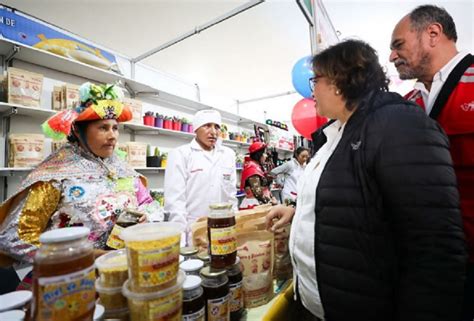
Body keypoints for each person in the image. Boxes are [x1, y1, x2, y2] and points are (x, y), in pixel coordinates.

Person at [266, 39, 466, 321]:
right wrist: (298, 212)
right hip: (318, 304)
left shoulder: (398, 125)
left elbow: (435, 247)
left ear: (339, 79)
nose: (312, 91)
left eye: (316, 80)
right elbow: (353, 201)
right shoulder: (334, 136)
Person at [0, 82, 162, 271]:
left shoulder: (122, 168)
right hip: (72, 280)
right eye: (103, 128)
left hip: (123, 272)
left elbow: (151, 206)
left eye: (115, 128)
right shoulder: (55, 175)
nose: (113, 136)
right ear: (77, 130)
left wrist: (147, 217)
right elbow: (14, 238)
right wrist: (80, 255)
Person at [390, 5, 474, 320]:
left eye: (398, 45)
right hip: (425, 267)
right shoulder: (406, 104)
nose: (391, 56)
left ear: (433, 34)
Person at [164, 109, 237, 233]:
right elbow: (175, 201)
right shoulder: (181, 154)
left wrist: (235, 224)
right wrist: (182, 238)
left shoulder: (228, 155)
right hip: (193, 228)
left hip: (224, 226)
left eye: (217, 127)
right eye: (207, 126)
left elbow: (231, 195)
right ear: (196, 129)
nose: (213, 132)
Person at [239, 141, 277, 210]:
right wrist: (270, 202)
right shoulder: (251, 168)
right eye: (264, 153)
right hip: (254, 204)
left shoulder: (257, 166)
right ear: (258, 154)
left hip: (259, 202)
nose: (266, 155)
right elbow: (257, 192)